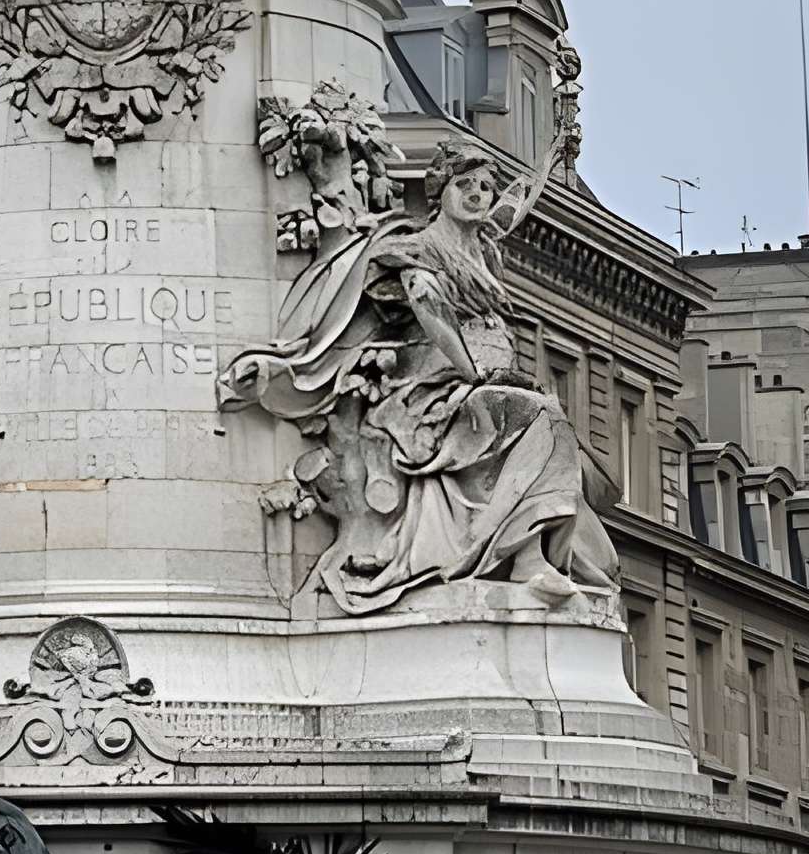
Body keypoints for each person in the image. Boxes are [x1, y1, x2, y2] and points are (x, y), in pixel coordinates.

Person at [223, 131, 618, 611]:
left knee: (548, 420)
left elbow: (515, 207)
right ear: (440, 194)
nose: (477, 196)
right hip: (434, 383)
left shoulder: (485, 245)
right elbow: (428, 306)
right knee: (538, 416)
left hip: (487, 380)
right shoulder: (423, 249)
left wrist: (550, 157)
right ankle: (529, 557)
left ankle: (534, 555)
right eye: (465, 186)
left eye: (484, 187)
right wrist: (474, 374)